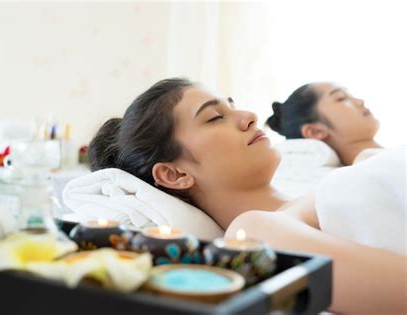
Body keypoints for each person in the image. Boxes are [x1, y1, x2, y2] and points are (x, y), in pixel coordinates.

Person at [89, 78, 406, 314]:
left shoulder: (345, 173)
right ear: (175, 175)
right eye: (215, 117)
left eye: (232, 105)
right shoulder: (254, 233)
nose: (249, 116)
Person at [266, 83, 383, 165]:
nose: (360, 101)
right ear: (315, 131)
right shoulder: (368, 165)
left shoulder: (386, 158)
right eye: (341, 98)